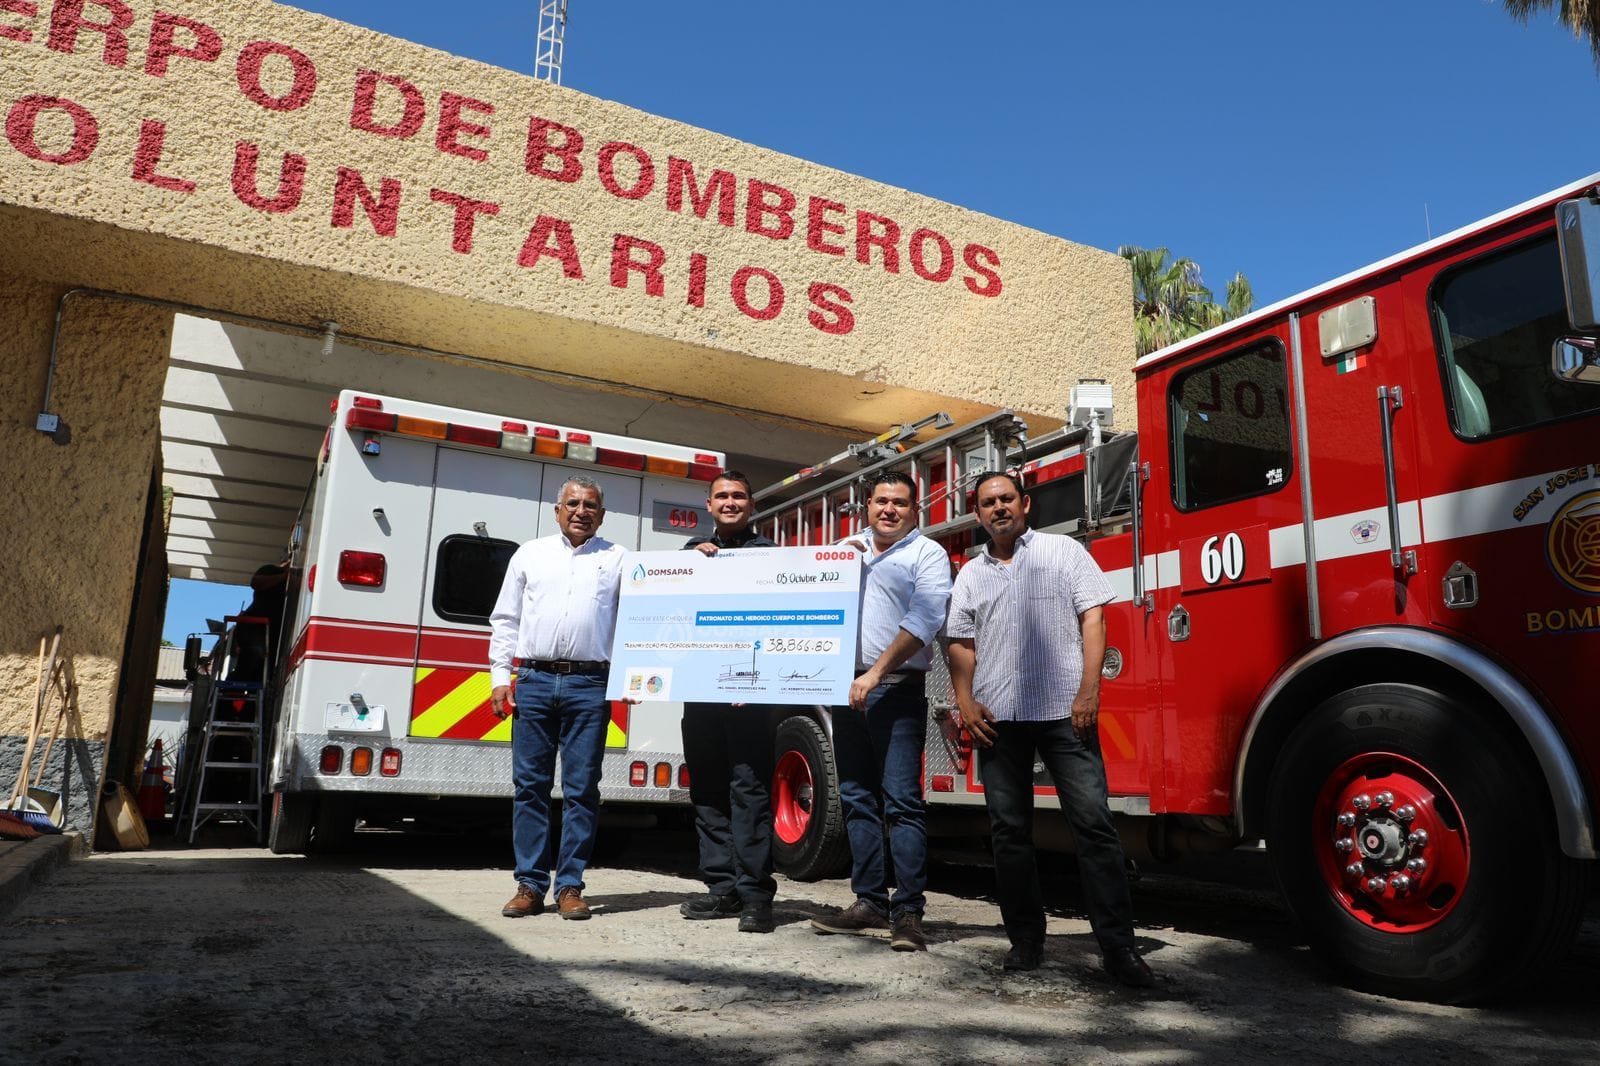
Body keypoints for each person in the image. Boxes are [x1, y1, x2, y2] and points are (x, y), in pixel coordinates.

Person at [945, 471, 1154, 987]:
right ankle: (1025, 941)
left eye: (1006, 499)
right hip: (999, 721)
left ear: (1025, 504)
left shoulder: (1064, 553)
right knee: (1009, 834)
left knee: (1094, 829)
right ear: (978, 515)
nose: (998, 509)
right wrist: (965, 702)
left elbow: (1094, 618)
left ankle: (1119, 949)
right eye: (988, 503)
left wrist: (1090, 690)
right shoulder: (971, 573)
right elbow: (959, 641)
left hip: (1066, 713)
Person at [810, 471, 951, 952]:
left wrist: (874, 674)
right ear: (866, 507)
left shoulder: (926, 554)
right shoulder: (844, 550)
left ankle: (908, 912)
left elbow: (925, 620)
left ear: (916, 511)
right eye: (881, 502)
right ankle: (868, 902)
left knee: (902, 803)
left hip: (894, 691)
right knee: (856, 798)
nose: (889, 510)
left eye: (900, 503)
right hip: (847, 691)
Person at [489, 475, 624, 921]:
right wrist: (499, 675)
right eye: (572, 503)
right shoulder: (530, 554)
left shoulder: (619, 559)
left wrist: (633, 678)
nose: (580, 511)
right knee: (530, 787)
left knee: (582, 790)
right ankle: (529, 885)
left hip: (591, 685)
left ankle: (570, 886)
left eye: (590, 505)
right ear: (557, 510)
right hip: (535, 680)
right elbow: (506, 618)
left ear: (601, 515)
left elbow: (635, 623)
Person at [677, 471, 781, 934]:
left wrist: (758, 682)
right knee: (708, 793)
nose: (731, 502)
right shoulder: (689, 555)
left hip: (750, 698)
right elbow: (666, 617)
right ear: (709, 504)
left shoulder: (774, 560)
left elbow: (783, 627)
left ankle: (756, 896)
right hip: (700, 695)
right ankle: (722, 890)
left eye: (739, 495)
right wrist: (689, 564)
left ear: (752, 505)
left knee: (750, 792)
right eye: (723, 496)